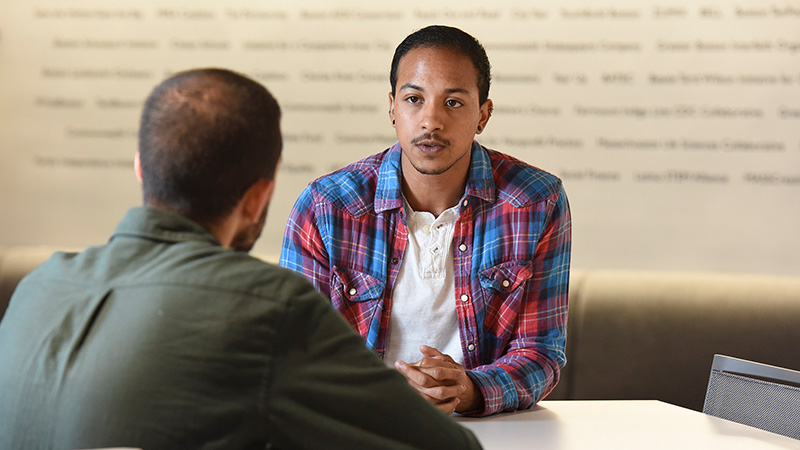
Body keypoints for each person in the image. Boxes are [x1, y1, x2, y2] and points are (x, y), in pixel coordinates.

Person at [0, 68, 482, 450]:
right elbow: (444, 445)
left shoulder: (37, 288)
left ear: (140, 168)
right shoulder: (269, 307)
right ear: (258, 198)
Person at [281, 25, 572, 417]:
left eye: (453, 102)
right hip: (356, 425)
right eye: (414, 99)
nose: (431, 120)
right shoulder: (326, 206)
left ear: (483, 115)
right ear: (392, 108)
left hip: (484, 429)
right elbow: (293, 354)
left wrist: (470, 390)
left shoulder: (535, 201)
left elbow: (540, 353)